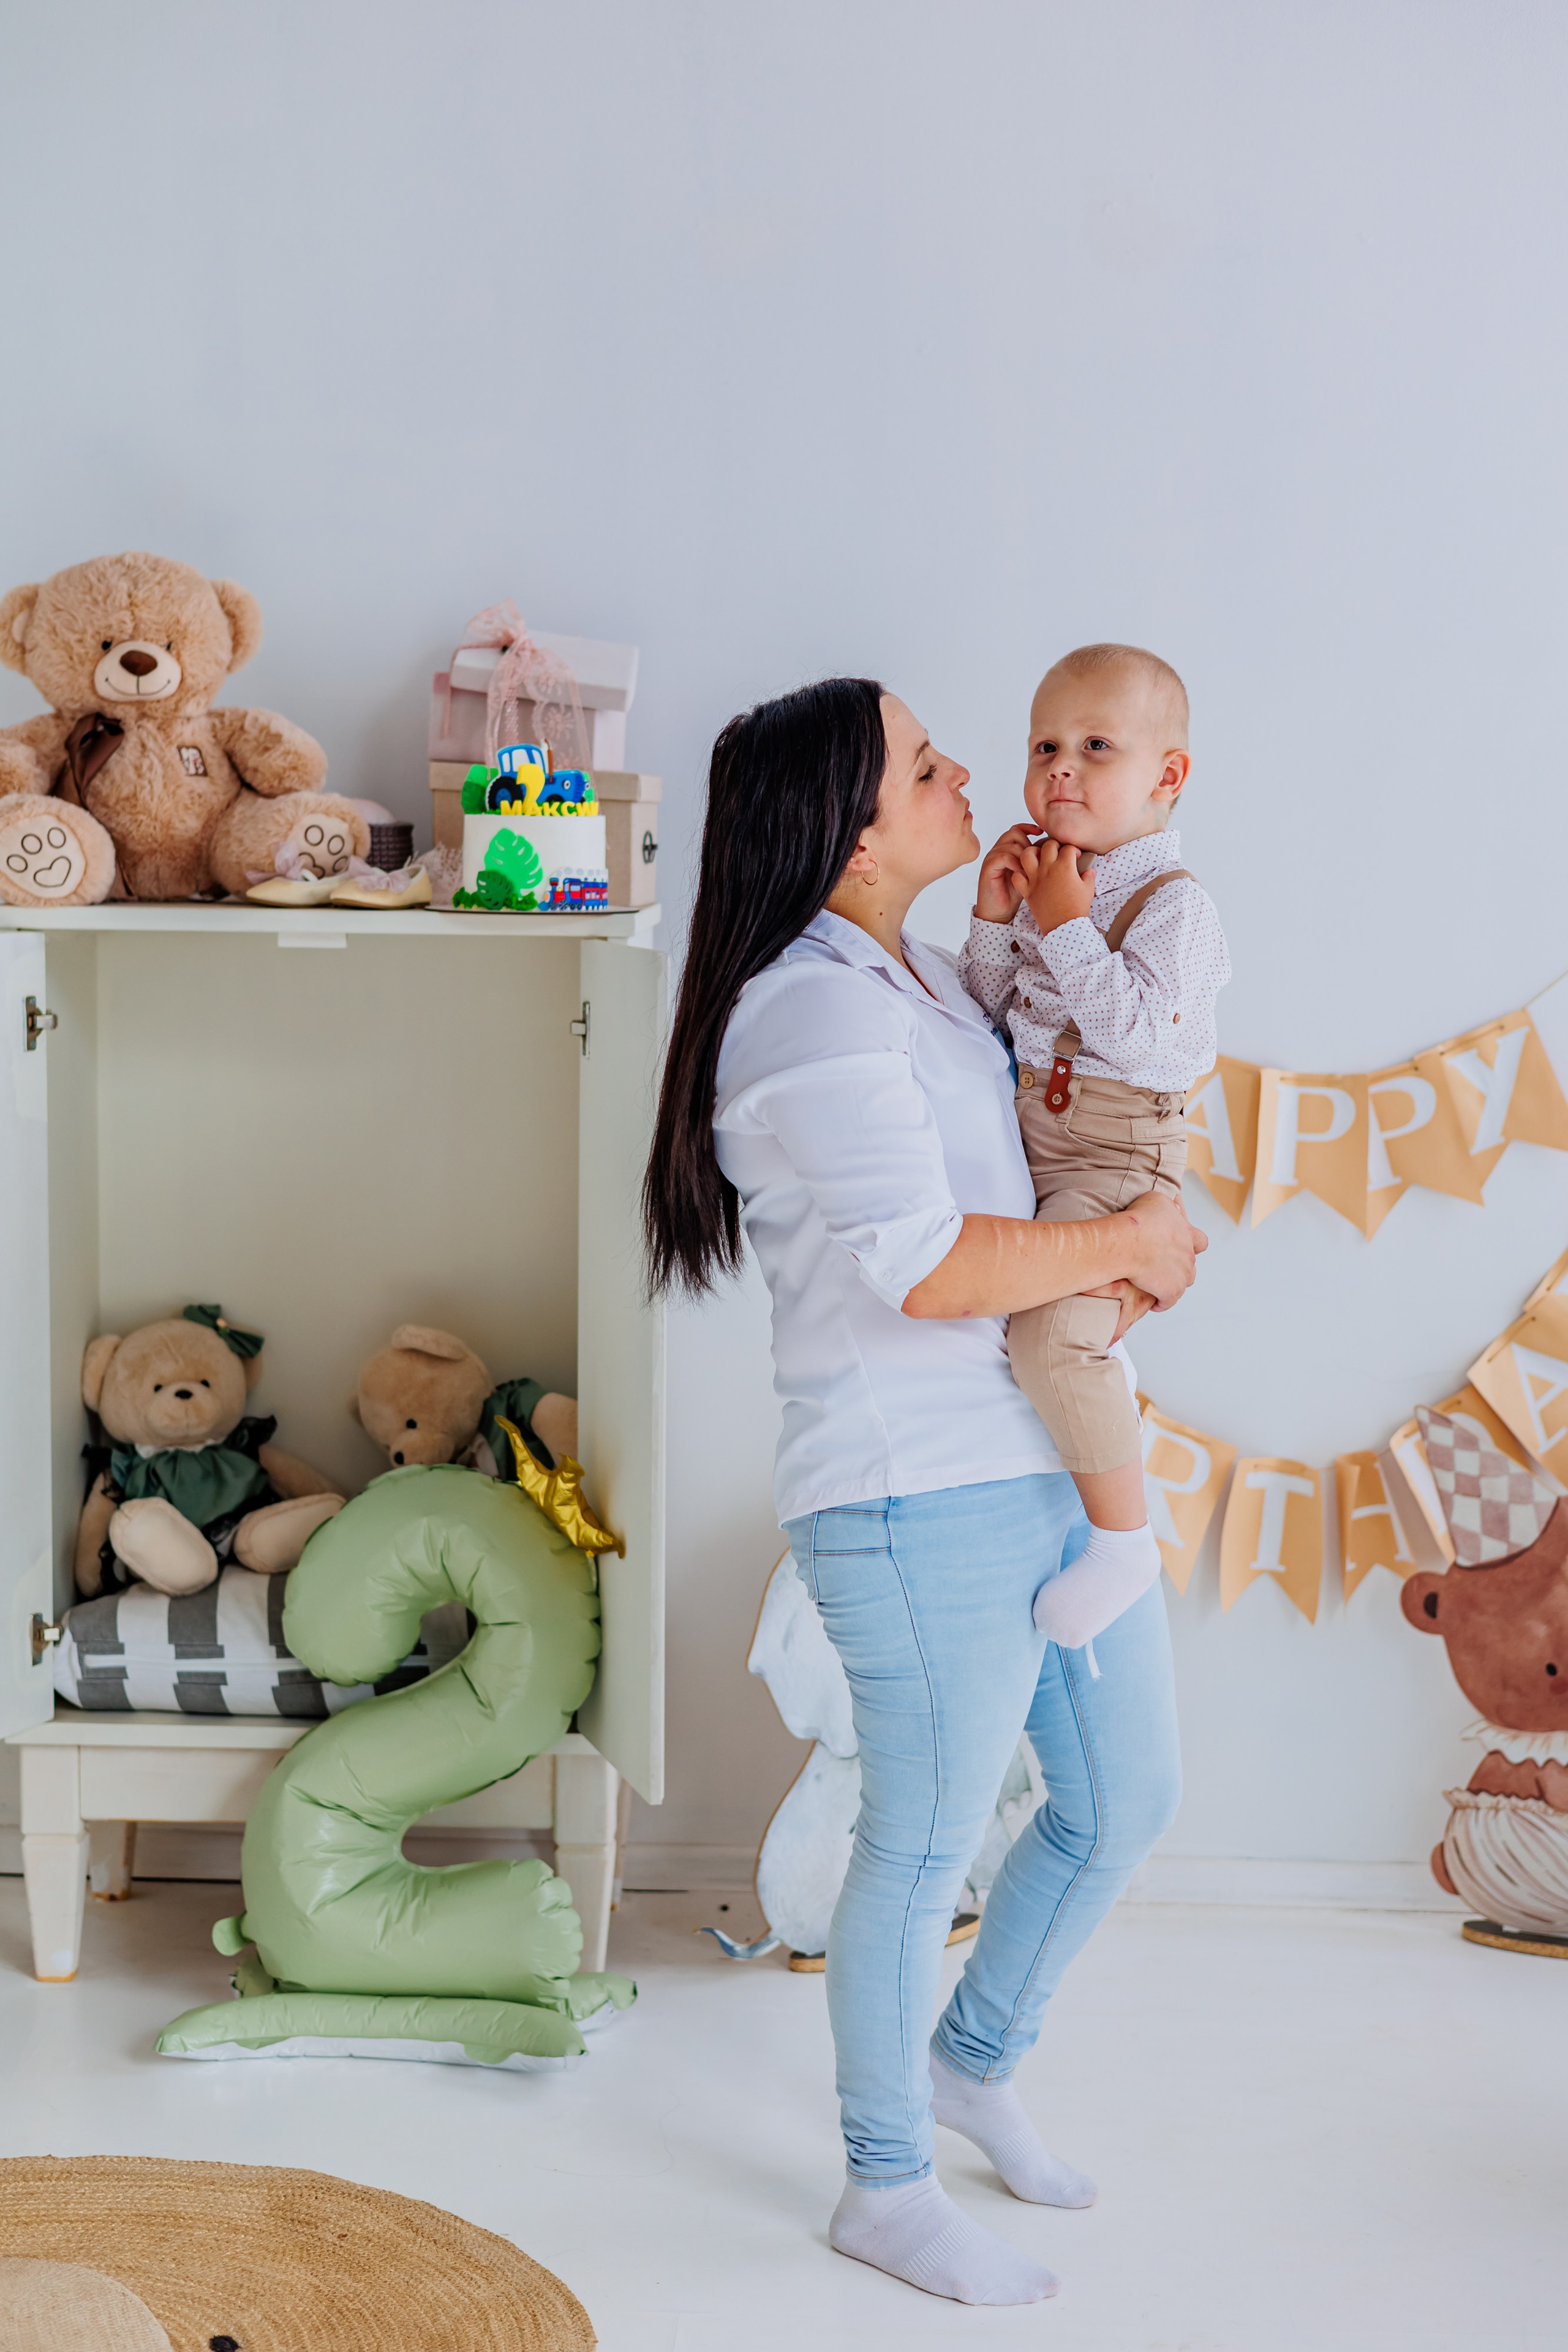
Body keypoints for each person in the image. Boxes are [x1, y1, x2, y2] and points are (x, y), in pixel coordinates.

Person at [643, 679, 1204, 2308]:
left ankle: (975, 2062)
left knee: (1123, 1800)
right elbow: (927, 1260)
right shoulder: (808, 1009)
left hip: (1032, 1456)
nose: (981, 772)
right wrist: (1127, 1245)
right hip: (911, 1488)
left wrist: (1117, 1267)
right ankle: (883, 2184)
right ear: (850, 829)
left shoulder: (917, 982)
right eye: (929, 763)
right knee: (925, 1838)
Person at [960, 644, 1229, 1652]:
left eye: (1096, 747)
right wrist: (996, 919)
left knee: (1050, 1337)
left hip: (1117, 1159)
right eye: (1046, 745)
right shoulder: (1050, 882)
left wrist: (1067, 925)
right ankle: (1075, 1474)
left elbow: (1141, 1040)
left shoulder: (1177, 908)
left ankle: (1125, 1541)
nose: (1061, 768)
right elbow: (988, 1017)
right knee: (995, 1324)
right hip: (1041, 1139)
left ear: (1166, 777)